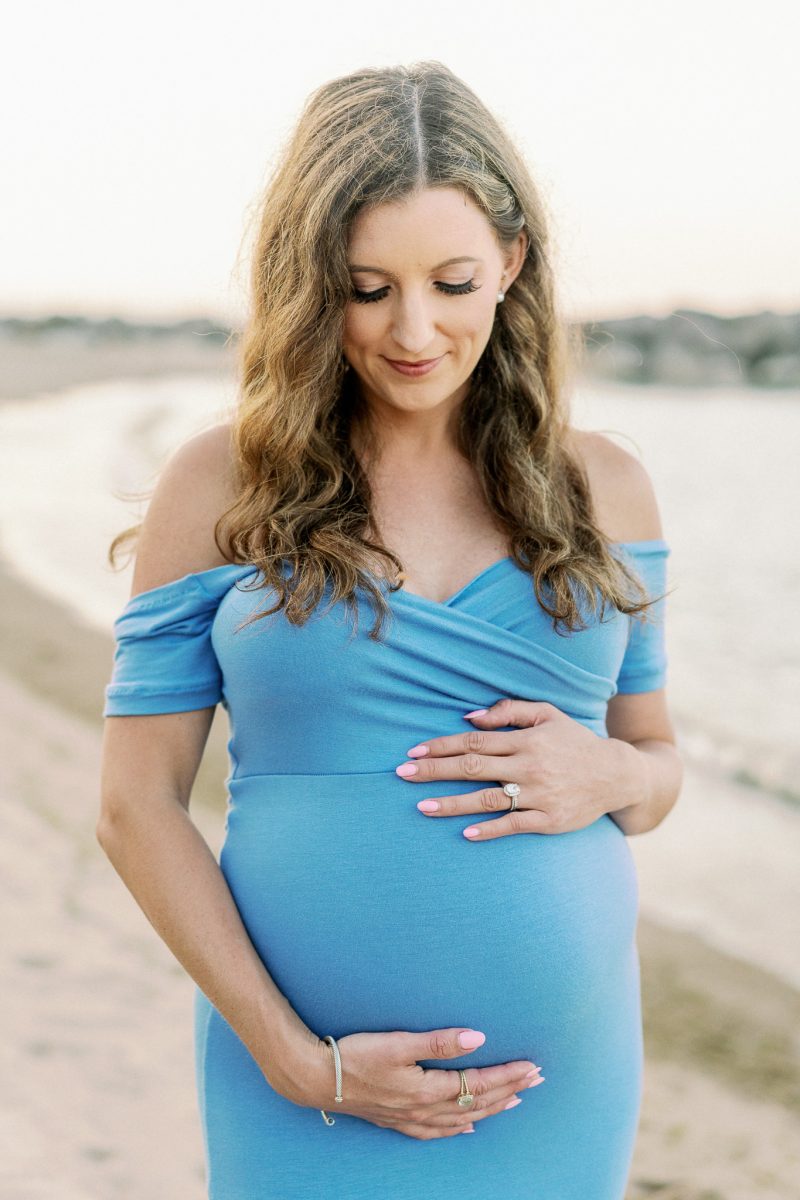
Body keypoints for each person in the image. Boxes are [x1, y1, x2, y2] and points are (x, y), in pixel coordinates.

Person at [98, 60, 682, 1200]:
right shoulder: (222, 483)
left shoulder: (604, 488)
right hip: (300, 1085)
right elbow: (134, 807)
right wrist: (295, 1062)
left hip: (552, 1089)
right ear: (311, 286)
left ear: (510, 264)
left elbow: (656, 769)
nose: (413, 330)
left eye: (453, 281)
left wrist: (607, 768)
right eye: (367, 289)